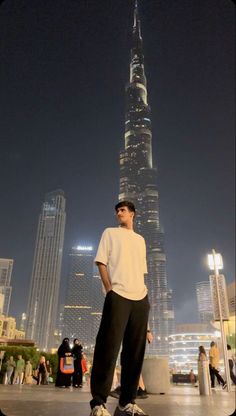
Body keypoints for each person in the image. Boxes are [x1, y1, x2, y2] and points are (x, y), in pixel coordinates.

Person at [90, 201, 150, 416]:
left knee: (135, 353)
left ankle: (127, 401)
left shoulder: (141, 240)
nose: (118, 212)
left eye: (123, 210)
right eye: (117, 210)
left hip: (140, 298)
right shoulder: (110, 233)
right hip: (118, 295)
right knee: (108, 348)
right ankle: (98, 403)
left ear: (132, 214)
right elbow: (101, 262)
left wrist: (148, 322)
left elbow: (140, 272)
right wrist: (110, 290)